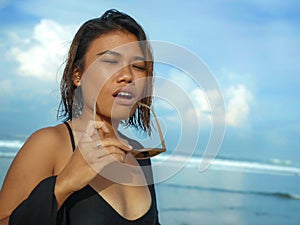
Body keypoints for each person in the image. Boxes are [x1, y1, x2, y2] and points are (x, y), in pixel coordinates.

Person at [0, 9, 162, 225]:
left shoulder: (139, 156)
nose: (127, 76)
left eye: (138, 67)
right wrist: (64, 184)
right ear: (78, 75)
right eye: (111, 61)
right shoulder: (49, 144)